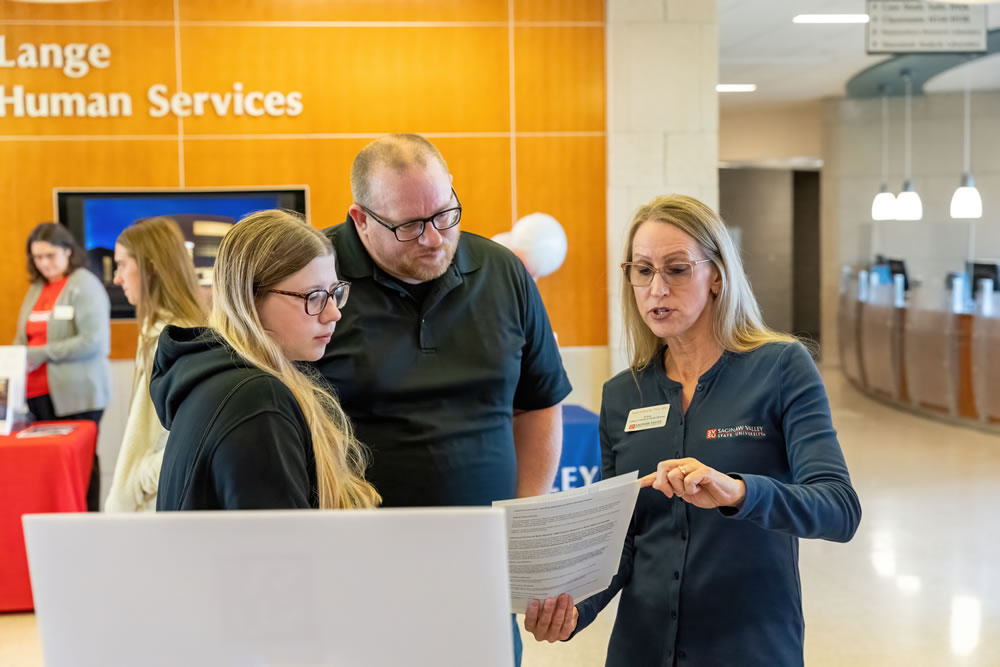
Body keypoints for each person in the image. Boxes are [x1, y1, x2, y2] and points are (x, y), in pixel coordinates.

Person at [524, 195, 862, 666]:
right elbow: (620, 536)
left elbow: (839, 509)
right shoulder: (625, 393)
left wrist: (738, 492)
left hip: (750, 646)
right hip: (641, 650)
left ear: (717, 276)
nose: (656, 288)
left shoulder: (781, 367)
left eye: (677, 269)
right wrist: (573, 610)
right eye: (642, 271)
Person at [315, 133, 572, 666]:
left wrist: (524, 523)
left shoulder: (502, 271)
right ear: (360, 220)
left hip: (482, 565)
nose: (433, 239)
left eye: (445, 214)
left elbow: (540, 402)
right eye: (408, 226)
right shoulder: (315, 280)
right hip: (358, 569)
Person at [151, 210, 380, 511]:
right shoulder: (257, 399)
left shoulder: (218, 379)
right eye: (313, 296)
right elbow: (278, 553)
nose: (333, 313)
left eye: (334, 292)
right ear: (250, 298)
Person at [104, 217, 206, 512]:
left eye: (122, 265)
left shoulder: (167, 339)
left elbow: (185, 438)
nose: (117, 278)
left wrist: (138, 482)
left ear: (151, 266)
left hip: (158, 504)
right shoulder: (176, 330)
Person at [14, 222, 111, 512]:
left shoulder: (84, 283)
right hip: (36, 393)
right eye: (37, 258)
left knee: (81, 463)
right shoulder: (37, 288)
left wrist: (41, 353)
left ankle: (87, 517)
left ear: (68, 252)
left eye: (50, 256)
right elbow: (22, 337)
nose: (44, 263)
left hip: (77, 395)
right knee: (48, 465)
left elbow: (92, 341)